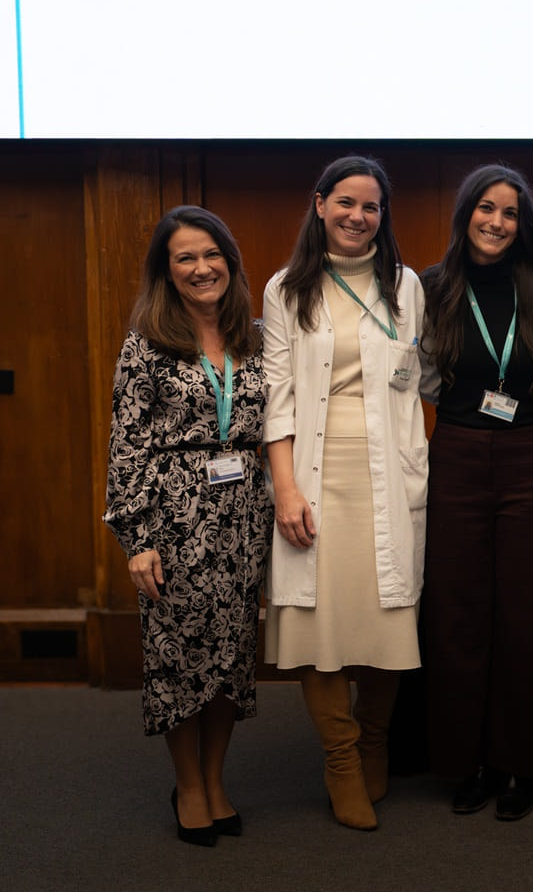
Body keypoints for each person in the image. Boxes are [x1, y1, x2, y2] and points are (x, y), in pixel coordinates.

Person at [262, 155, 430, 831]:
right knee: (320, 621)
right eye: (347, 203)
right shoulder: (286, 289)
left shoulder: (405, 285)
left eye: (371, 207)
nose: (358, 216)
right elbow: (276, 397)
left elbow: (416, 379)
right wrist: (284, 489)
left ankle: (374, 741)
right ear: (320, 204)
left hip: (389, 471)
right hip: (314, 476)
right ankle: (340, 759)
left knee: (388, 616)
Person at [103, 206, 272, 846]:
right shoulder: (146, 343)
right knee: (179, 659)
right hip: (173, 520)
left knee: (231, 657)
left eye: (211, 255)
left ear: (229, 261)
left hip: (242, 520)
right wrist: (137, 540)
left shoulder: (255, 338)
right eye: (185, 258)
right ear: (166, 271)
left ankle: (215, 778)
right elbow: (126, 447)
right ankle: (188, 784)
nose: (202, 268)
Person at [419, 164, 533, 820]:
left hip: (532, 453)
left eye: (509, 212)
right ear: (466, 214)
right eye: (486, 208)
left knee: (526, 613)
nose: (497, 222)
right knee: (458, 611)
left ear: (523, 222)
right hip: (455, 453)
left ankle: (518, 764)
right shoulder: (433, 286)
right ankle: (468, 763)